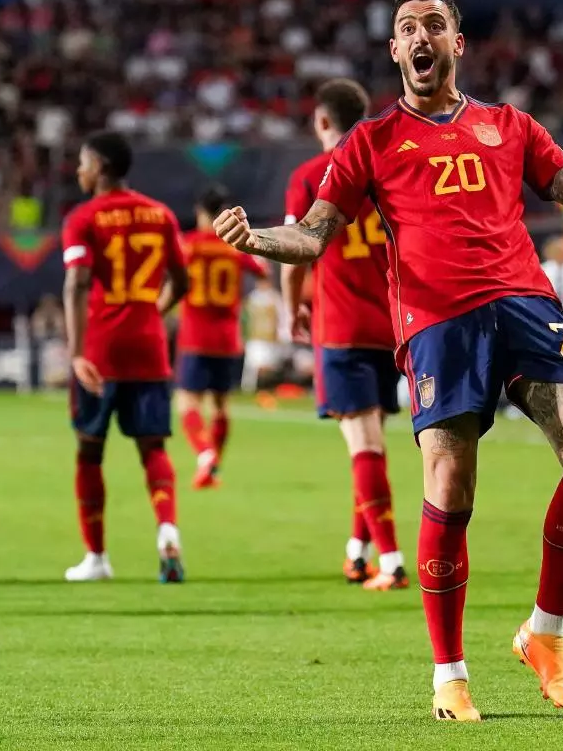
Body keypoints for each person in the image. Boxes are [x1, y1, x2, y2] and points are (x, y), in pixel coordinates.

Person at [212, 0, 563, 722]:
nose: (421, 37)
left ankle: (546, 633)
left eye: (434, 26)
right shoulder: (371, 142)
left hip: (525, 303)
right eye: (407, 28)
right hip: (437, 322)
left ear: (457, 43)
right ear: (394, 50)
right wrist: (258, 239)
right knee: (451, 489)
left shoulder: (510, 126)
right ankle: (449, 673)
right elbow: (315, 234)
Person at [280, 78, 408, 591]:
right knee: (369, 439)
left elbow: (295, 247)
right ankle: (358, 550)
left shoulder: (310, 176)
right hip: (393, 323)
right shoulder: (388, 167)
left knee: (364, 445)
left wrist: (293, 308)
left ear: (322, 122)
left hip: (342, 325)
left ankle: (394, 561)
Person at [60, 130, 189, 583]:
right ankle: (167, 532)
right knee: (153, 448)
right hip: (149, 347)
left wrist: (75, 353)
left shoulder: (83, 218)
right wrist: (153, 311)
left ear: (100, 168)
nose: (79, 170)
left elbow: (76, 283)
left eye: (82, 162)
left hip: (100, 351)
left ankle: (96, 557)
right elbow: (183, 281)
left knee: (89, 453)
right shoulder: (161, 214)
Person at [175, 184, 269, 489]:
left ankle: (204, 455)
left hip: (195, 336)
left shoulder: (187, 244)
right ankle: (213, 470)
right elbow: (262, 271)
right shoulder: (234, 246)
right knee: (220, 406)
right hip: (227, 338)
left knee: (187, 403)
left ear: (201, 213)